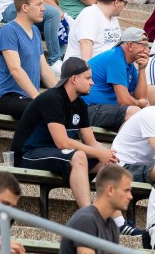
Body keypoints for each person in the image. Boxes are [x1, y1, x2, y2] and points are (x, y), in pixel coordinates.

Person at [11, 59, 119, 209]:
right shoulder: (52, 98)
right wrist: (97, 152)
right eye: (88, 78)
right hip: (27, 154)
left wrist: (106, 154)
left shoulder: (80, 104)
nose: (92, 83)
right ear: (74, 79)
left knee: (107, 164)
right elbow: (63, 142)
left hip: (56, 153)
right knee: (79, 155)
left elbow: (90, 141)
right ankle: (87, 215)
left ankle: (114, 219)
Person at [0, 0, 59, 120]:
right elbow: (15, 69)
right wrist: (38, 99)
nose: (43, 8)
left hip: (27, 99)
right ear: (25, 7)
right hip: (6, 98)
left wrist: (63, 96)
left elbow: (44, 71)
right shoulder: (8, 30)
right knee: (46, 113)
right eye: (39, 4)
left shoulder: (35, 32)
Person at [83, 27, 150, 130]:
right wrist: (138, 103)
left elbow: (141, 97)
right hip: (86, 109)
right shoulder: (115, 59)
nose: (147, 50)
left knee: (146, 110)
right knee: (134, 112)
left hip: (103, 109)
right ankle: (121, 145)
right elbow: (124, 101)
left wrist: (142, 69)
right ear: (130, 45)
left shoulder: (129, 65)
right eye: (144, 45)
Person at [62, 0, 127, 63]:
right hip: (86, 71)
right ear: (117, 2)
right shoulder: (90, 14)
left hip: (108, 68)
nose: (124, 6)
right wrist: (87, 73)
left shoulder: (113, 18)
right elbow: (85, 44)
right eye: (125, 3)